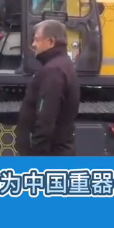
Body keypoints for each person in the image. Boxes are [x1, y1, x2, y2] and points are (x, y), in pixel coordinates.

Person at [16, 20, 80, 156]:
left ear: (51, 41)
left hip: (50, 155)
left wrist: (36, 154)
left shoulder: (53, 71)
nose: (33, 44)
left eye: (37, 40)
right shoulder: (62, 65)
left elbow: (46, 117)